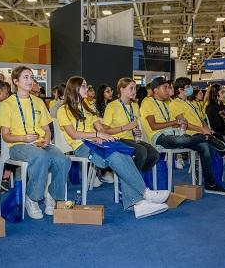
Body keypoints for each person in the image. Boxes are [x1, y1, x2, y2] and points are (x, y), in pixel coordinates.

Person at [57, 76, 169, 219]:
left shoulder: (89, 108)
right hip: (81, 146)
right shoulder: (64, 110)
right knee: (116, 156)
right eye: (84, 86)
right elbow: (73, 134)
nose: (88, 89)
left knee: (124, 154)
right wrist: (96, 135)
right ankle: (144, 195)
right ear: (75, 88)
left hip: (97, 144)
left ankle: (139, 204)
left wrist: (103, 136)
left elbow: (100, 129)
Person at [0, 65, 71, 220]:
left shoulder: (38, 102)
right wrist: (23, 138)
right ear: (16, 81)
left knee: (62, 159)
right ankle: (33, 198)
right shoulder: (7, 104)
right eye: (26, 77)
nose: (30, 80)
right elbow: (6, 136)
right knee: (41, 157)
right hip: (18, 145)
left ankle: (52, 195)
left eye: (31, 77)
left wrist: (46, 138)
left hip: (39, 144)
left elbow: (47, 129)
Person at [140, 77, 225, 195]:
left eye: (169, 87)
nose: (169, 90)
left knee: (203, 146)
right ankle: (205, 137)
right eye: (166, 87)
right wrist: (175, 123)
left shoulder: (166, 104)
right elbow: (153, 126)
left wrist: (179, 125)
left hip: (173, 134)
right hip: (159, 137)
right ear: (156, 90)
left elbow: (175, 124)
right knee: (182, 139)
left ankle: (211, 184)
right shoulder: (147, 102)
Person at [102, 77, 159, 174]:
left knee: (154, 154)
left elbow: (133, 123)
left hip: (131, 140)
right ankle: (131, 179)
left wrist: (135, 130)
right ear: (122, 89)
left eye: (135, 88)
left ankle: (135, 176)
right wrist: (124, 128)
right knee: (141, 151)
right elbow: (105, 131)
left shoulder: (135, 105)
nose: (134, 91)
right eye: (131, 88)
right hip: (117, 140)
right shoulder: (112, 106)